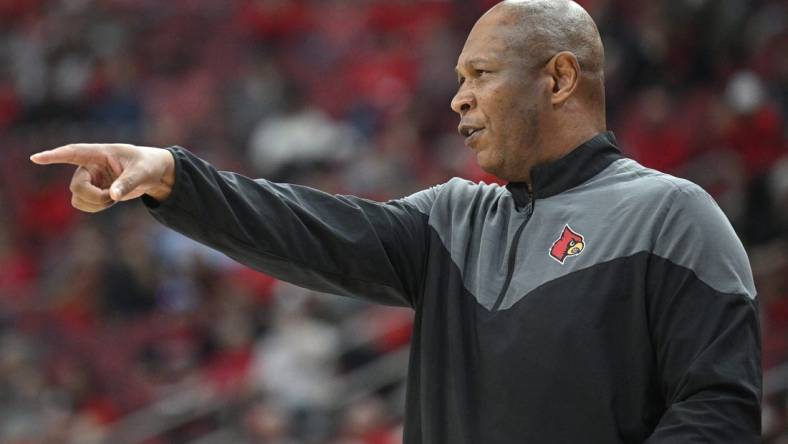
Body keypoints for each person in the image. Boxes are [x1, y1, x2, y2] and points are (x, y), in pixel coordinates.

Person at [30, 0, 761, 442]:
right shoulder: (453, 221)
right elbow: (312, 228)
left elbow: (719, 413)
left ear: (560, 78)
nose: (457, 100)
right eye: (456, 81)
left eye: (479, 76)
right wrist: (174, 176)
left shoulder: (672, 217)